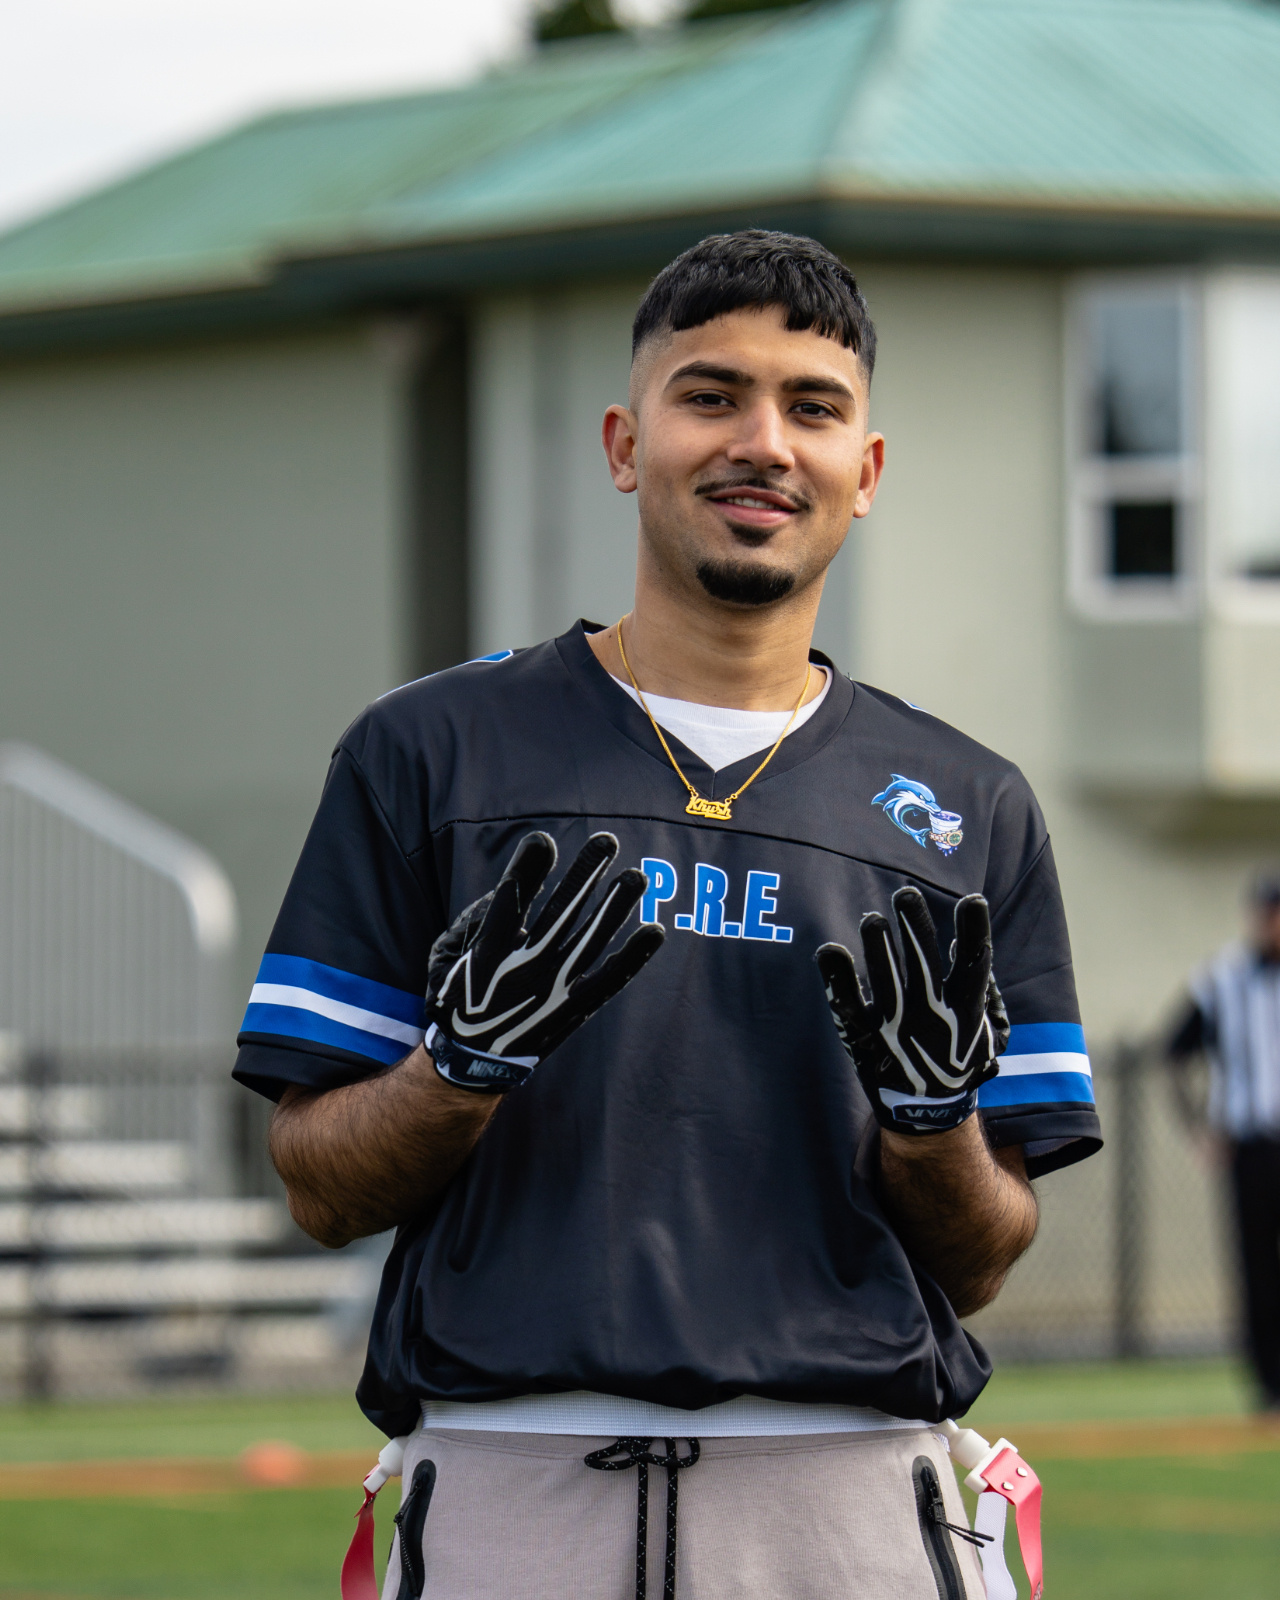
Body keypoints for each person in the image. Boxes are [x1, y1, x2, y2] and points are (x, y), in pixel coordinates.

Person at [233, 231, 1101, 1599]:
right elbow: (317, 1186)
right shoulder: (431, 749)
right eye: (711, 395)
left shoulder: (966, 802)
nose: (764, 442)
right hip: (512, 1484)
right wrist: (457, 1070)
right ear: (625, 444)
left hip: (850, 1496)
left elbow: (984, 1257)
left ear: (866, 470)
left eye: (812, 407)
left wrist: (933, 1127)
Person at [1167, 873, 1280, 1410]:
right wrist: (1199, 1128)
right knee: (1257, 1267)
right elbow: (1174, 1052)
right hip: (1249, 1146)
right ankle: (1269, 1386)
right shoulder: (1223, 979)